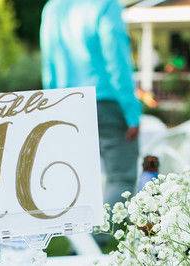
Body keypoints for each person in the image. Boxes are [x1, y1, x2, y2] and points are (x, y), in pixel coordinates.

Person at [40, 0, 142, 208]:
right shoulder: (106, 5)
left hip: (65, 104)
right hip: (106, 103)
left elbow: (48, 66)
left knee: (74, 180)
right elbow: (117, 61)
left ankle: (79, 238)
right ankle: (97, 237)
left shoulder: (52, 7)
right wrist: (131, 112)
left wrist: (49, 109)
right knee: (120, 178)